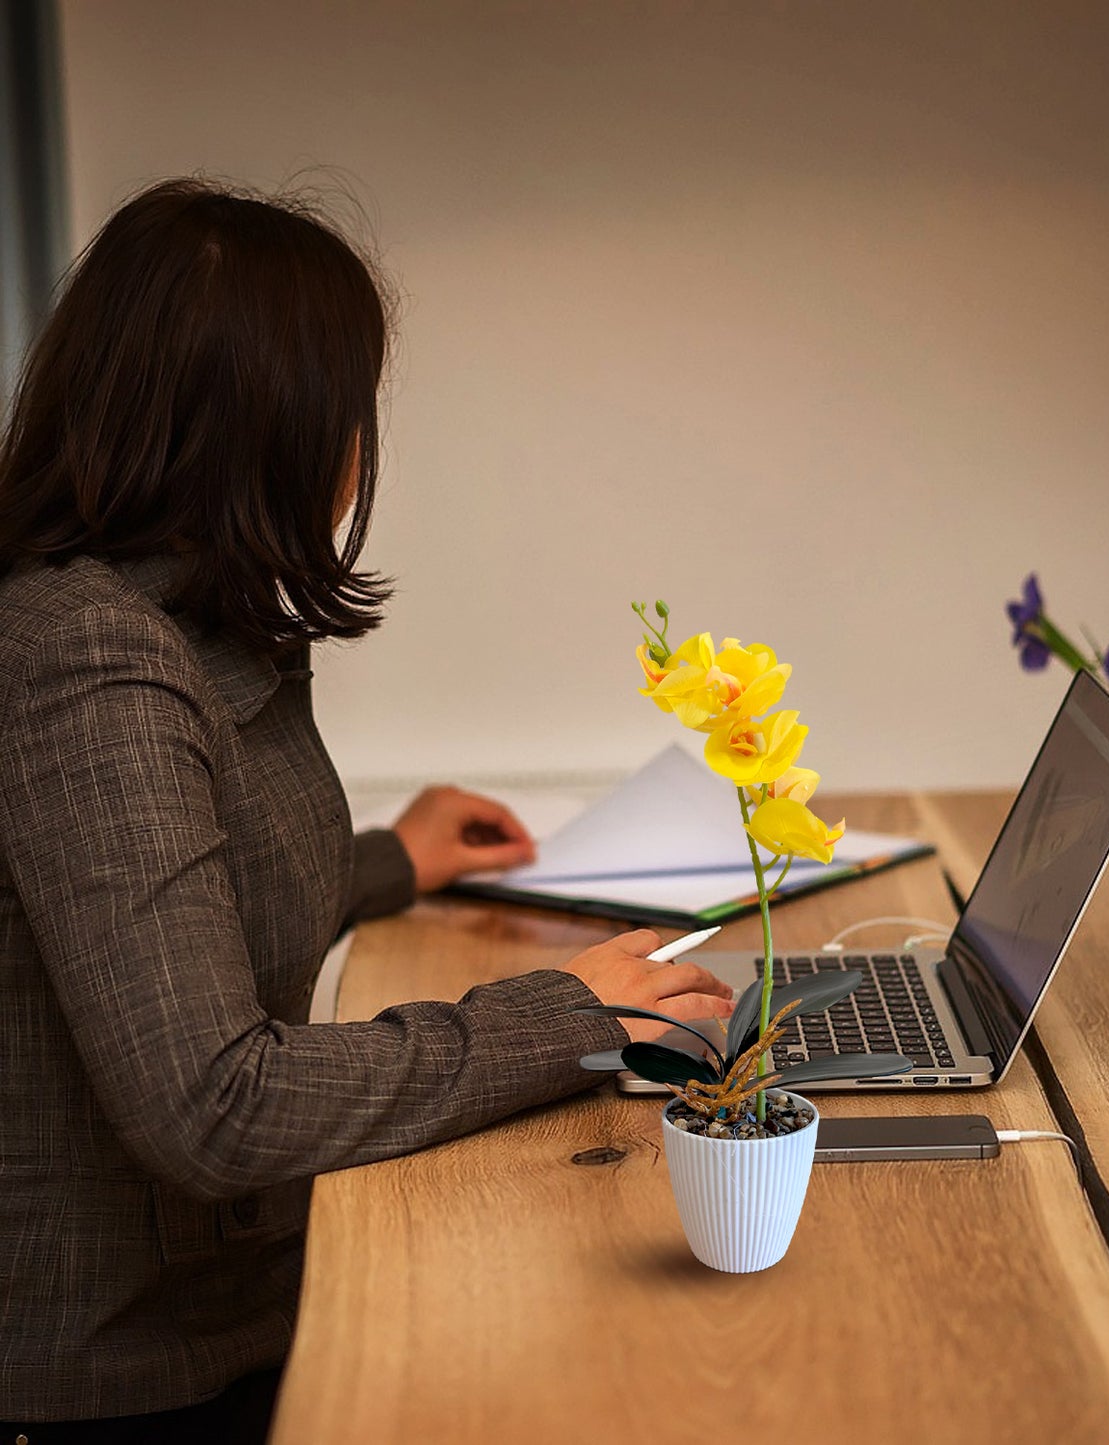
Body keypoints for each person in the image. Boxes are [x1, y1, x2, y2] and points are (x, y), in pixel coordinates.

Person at [0, 179, 732, 1443]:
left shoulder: (175, 617)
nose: (358, 445)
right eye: (348, 408)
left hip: (232, 1296)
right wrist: (561, 1014)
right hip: (122, 1372)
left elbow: (164, 904)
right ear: (268, 428)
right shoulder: (86, 658)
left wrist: (393, 858)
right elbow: (212, 1102)